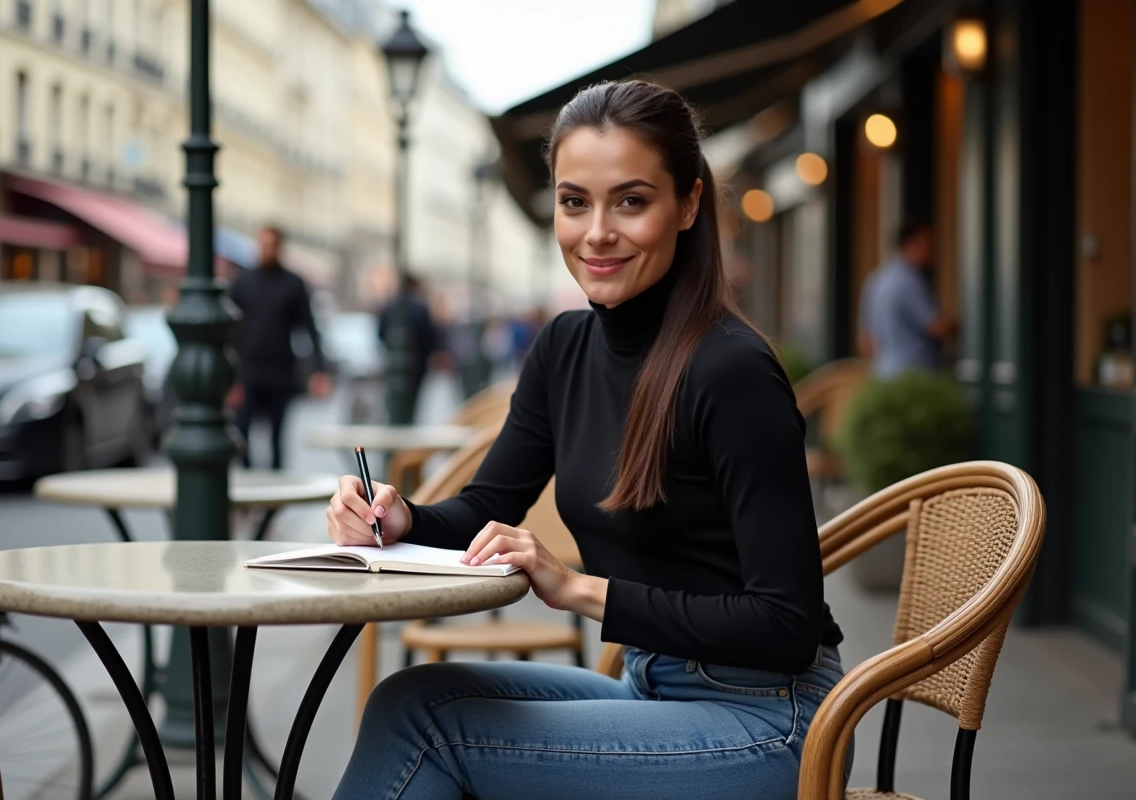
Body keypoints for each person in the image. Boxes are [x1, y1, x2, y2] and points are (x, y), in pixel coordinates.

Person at [326, 79, 847, 800]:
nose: (596, 231)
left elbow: (786, 624)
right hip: (653, 690)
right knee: (409, 701)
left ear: (689, 205)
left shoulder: (732, 371)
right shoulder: (564, 348)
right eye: (575, 202)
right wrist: (401, 518)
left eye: (630, 201)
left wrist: (577, 588)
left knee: (433, 734)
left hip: (770, 720)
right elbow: (487, 505)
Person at [228, 224, 331, 469]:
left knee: (277, 436)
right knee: (242, 432)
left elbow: (309, 328)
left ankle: (274, 493)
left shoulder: (293, 284)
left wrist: (319, 370)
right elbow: (230, 332)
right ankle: (249, 483)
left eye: (271, 244)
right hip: (248, 371)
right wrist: (230, 377)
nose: (266, 249)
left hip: (281, 372)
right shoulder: (242, 283)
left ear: (280, 247)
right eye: (262, 244)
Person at [858, 218, 957, 378]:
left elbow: (866, 340)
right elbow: (937, 327)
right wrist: (962, 326)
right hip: (913, 376)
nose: (933, 249)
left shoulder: (876, 280)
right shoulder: (909, 281)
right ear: (911, 242)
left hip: (884, 373)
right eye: (928, 242)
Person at [377, 273, 440, 418]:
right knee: (412, 402)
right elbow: (430, 337)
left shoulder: (390, 307)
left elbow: (380, 333)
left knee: (394, 400)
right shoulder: (420, 309)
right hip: (418, 364)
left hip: (394, 364)